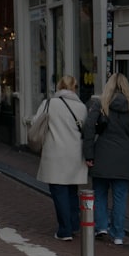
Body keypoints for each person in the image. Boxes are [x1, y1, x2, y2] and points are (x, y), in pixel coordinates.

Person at [82, 73, 129, 246]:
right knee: (120, 198)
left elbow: (89, 129)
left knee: (99, 193)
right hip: (123, 158)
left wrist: (89, 155)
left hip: (102, 156)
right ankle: (118, 234)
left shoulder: (100, 104)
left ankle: (101, 227)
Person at [33, 75, 88, 241]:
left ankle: (65, 230)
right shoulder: (82, 107)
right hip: (75, 154)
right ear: (75, 88)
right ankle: (74, 224)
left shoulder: (50, 103)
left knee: (59, 191)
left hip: (55, 153)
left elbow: (36, 122)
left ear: (59, 86)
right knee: (72, 190)